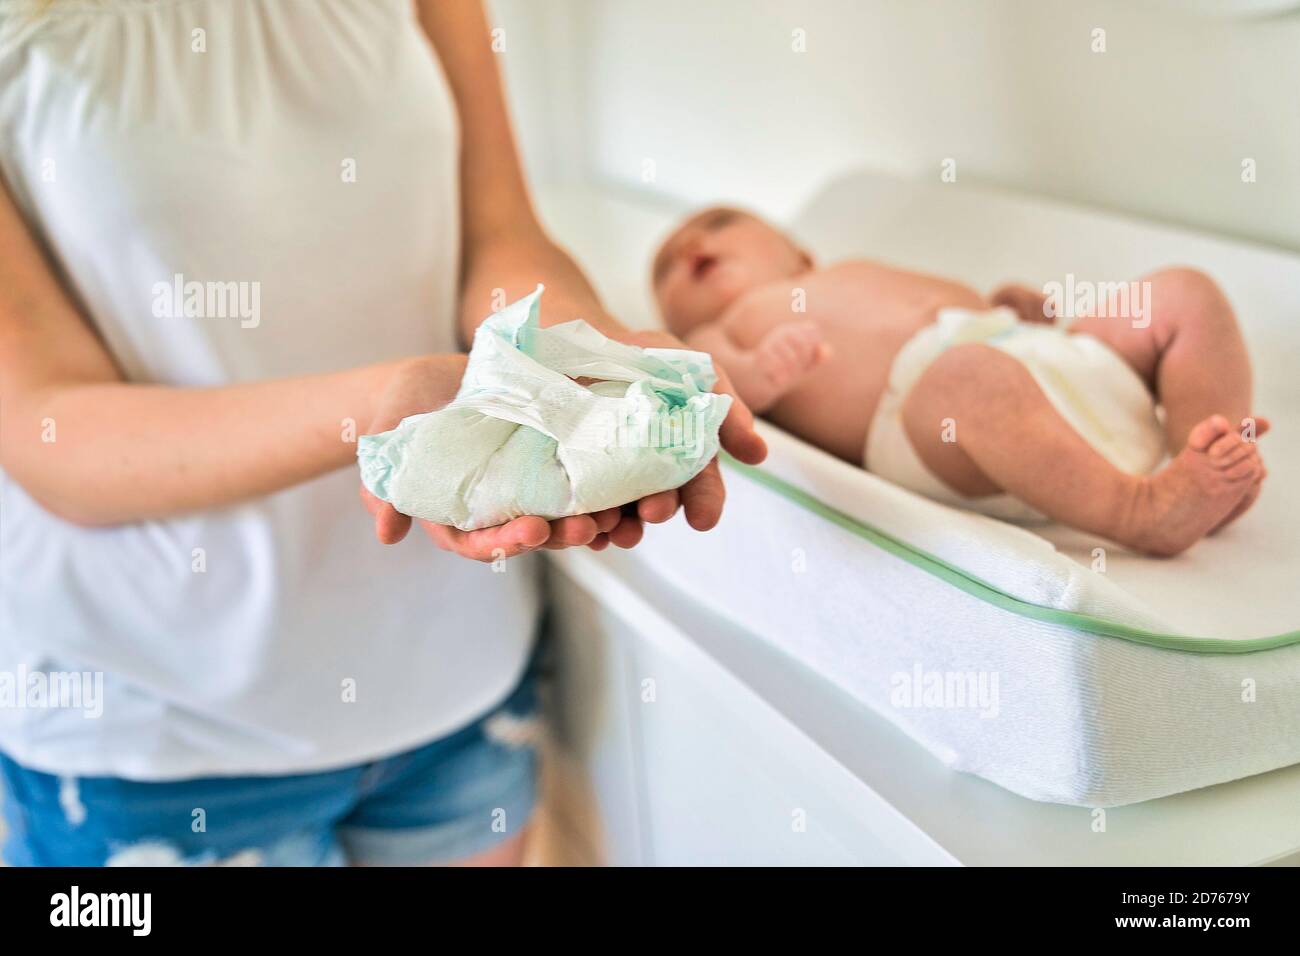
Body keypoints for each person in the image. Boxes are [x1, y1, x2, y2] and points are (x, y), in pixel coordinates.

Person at [0, 0, 762, 867]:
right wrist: (376, 409)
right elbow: (48, 430)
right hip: (158, 738)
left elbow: (500, 237)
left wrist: (580, 355)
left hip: (455, 683)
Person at [652, 206, 1266, 556]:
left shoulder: (843, 271)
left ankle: (1204, 450)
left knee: (1182, 292)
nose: (691, 245)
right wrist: (763, 371)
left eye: (720, 222)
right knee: (968, 378)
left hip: (1040, 359)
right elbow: (724, 391)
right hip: (931, 419)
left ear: (797, 252)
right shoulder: (719, 329)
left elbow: (952, 309)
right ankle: (1143, 509)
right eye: (667, 267)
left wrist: (1009, 310)